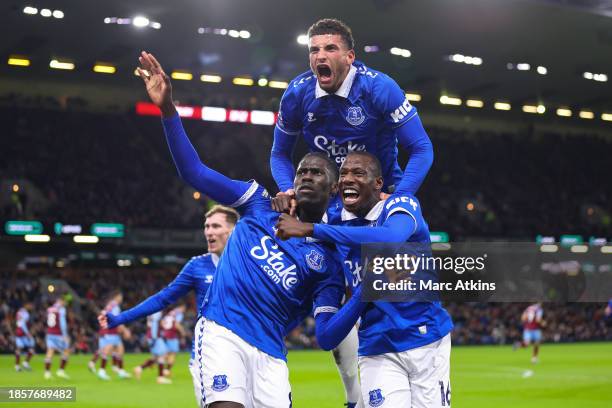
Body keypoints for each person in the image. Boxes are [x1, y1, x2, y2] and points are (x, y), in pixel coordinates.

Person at [129, 51, 363, 408]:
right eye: (301, 171)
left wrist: (365, 294)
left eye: (317, 173)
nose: (306, 177)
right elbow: (195, 172)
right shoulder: (258, 202)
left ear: (333, 189)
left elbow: (328, 336)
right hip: (223, 332)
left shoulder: (327, 260)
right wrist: (168, 111)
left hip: (270, 356)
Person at [271, 19, 434, 406]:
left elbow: (422, 148)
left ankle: (416, 370)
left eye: (329, 49)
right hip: (331, 203)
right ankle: (353, 395)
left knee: (395, 289)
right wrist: (286, 188)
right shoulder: (296, 95)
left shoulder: (378, 88)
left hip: (382, 197)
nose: (319, 57)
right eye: (314, 50)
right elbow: (279, 154)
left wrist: (398, 200)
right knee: (325, 280)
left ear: (349, 56)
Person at [275, 151, 454, 408]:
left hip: (426, 339)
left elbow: (391, 238)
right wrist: (285, 196)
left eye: (358, 173)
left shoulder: (399, 205)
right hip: (376, 345)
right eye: (344, 173)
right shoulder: (336, 222)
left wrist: (312, 229)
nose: (348, 178)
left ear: (378, 183)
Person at [99, 205, 238, 396]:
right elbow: (162, 299)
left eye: (215, 226)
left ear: (233, 230)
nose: (209, 232)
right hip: (209, 354)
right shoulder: (197, 266)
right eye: (207, 227)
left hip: (248, 352)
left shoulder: (251, 263)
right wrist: (121, 318)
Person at [95, 292, 131, 380]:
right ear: (117, 297)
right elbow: (117, 320)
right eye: (120, 297)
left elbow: (102, 315)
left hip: (110, 331)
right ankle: (101, 371)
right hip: (110, 331)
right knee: (107, 351)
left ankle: (121, 371)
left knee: (120, 350)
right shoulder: (115, 306)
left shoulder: (109, 305)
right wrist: (125, 330)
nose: (121, 299)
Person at [133, 311, 171, 384]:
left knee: (156, 357)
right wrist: (154, 338)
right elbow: (154, 324)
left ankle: (139, 368)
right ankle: (160, 377)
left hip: (152, 336)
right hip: (154, 337)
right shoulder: (157, 311)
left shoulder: (152, 309)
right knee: (163, 355)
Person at [44, 298, 71, 380]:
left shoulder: (50, 309)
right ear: (61, 301)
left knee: (50, 352)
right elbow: (62, 323)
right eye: (64, 301)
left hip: (49, 333)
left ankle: (47, 373)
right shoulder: (61, 310)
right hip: (58, 334)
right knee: (66, 351)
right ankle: (61, 371)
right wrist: (65, 335)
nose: (65, 303)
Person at [161, 305, 186, 378]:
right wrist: (182, 332)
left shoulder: (165, 317)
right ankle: (166, 370)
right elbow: (177, 325)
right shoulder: (174, 316)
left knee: (167, 353)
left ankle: (161, 366)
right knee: (172, 354)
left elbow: (162, 324)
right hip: (172, 337)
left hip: (164, 336)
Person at [14, 303, 35, 372]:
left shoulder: (19, 312)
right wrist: (27, 333)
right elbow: (23, 324)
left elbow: (18, 322)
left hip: (18, 332)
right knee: (30, 347)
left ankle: (19, 365)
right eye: (30, 305)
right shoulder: (25, 313)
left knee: (20, 349)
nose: (31, 306)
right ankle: (23, 364)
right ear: (26, 305)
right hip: (22, 332)